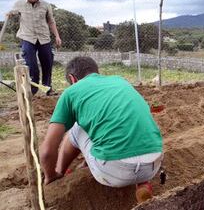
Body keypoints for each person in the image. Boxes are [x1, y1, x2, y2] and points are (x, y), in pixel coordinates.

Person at [39, 56, 163, 203]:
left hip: (113, 172)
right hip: (154, 163)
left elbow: (47, 152)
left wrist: (50, 176)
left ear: (72, 79)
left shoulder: (71, 92)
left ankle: (61, 172)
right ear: (96, 72)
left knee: (76, 128)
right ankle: (143, 183)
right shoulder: (120, 81)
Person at [7, 0, 61, 95]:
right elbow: (13, 12)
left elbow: (51, 21)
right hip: (27, 38)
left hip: (44, 38)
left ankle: (48, 87)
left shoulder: (46, 5)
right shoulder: (19, 4)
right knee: (31, 66)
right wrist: (10, 14)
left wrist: (57, 36)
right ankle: (33, 90)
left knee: (47, 63)